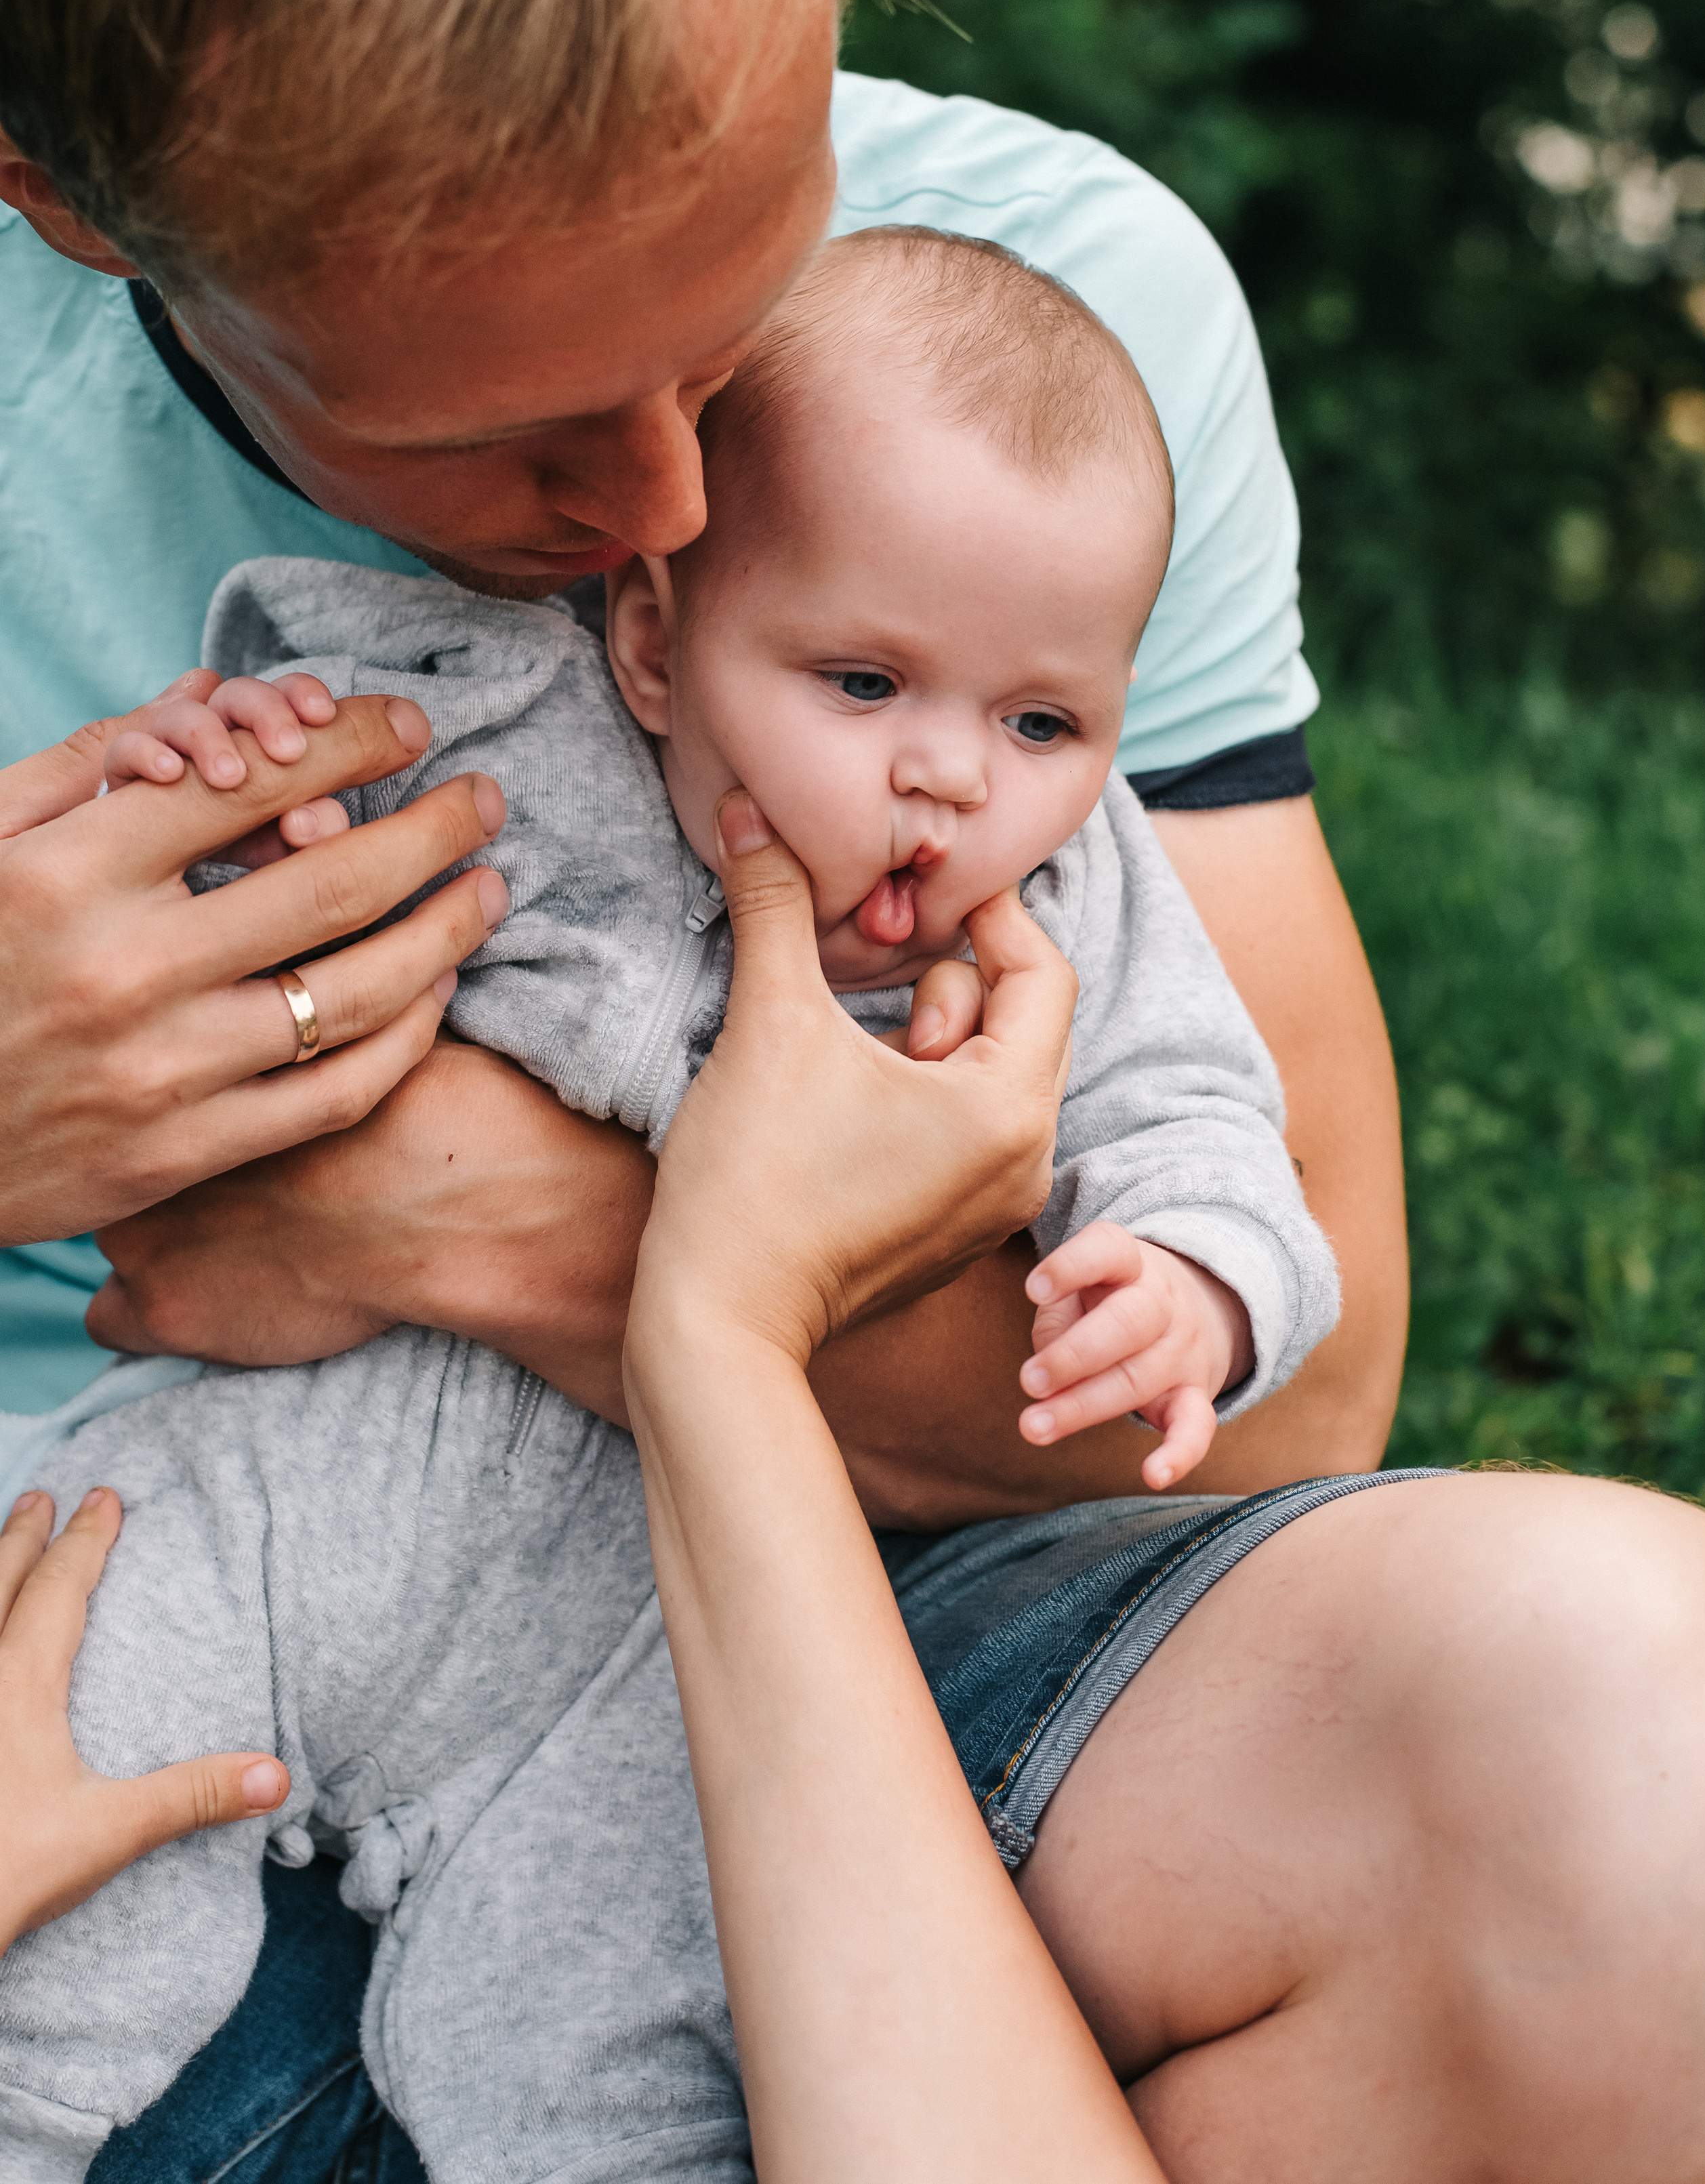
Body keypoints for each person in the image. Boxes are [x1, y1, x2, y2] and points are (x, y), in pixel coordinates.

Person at [5, 0, 1705, 2177]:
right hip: (127, 1688)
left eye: (725, 311)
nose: (675, 523)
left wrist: (497, 1227)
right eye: (502, 447)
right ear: (78, 205)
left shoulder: (1054, 353)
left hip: (885, 1636)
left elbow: (1285, 1409)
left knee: (1656, 1776)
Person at [0, 228, 1348, 2178]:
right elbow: (285, 725)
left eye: (1046, 721)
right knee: (75, 1740)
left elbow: (1215, 1129)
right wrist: (230, 761)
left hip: (640, 1617)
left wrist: (1192, 1277)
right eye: (863, 678)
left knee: (639, 2024)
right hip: (304, 1493)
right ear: (652, 638)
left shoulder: (1074, 912)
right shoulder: (525, 741)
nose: (952, 777)